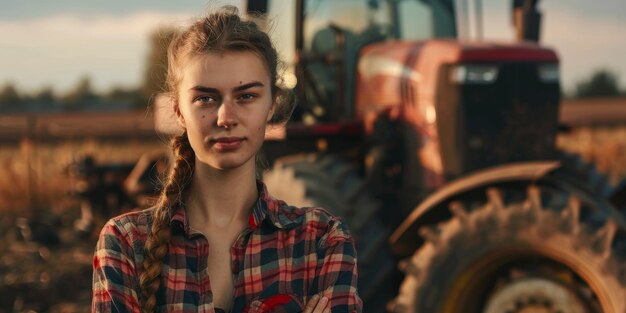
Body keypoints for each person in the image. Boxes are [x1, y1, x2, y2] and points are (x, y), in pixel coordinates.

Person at [92, 6, 362, 313]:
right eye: (206, 98)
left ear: (272, 105)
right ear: (179, 109)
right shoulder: (126, 245)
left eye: (246, 96)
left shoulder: (322, 241)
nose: (225, 117)